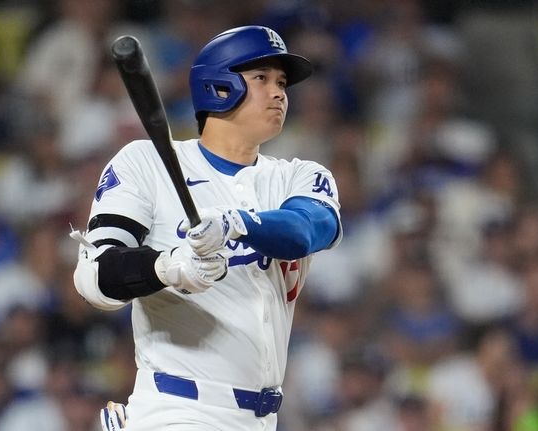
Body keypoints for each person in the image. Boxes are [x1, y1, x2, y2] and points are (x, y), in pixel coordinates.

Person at [70, 25, 342, 430]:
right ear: (219, 87)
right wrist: (168, 268)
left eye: (282, 82)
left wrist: (237, 223)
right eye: (261, 79)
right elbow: (93, 277)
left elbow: (307, 230)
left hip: (262, 418)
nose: (279, 92)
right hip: (179, 409)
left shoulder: (297, 176)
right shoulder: (147, 164)